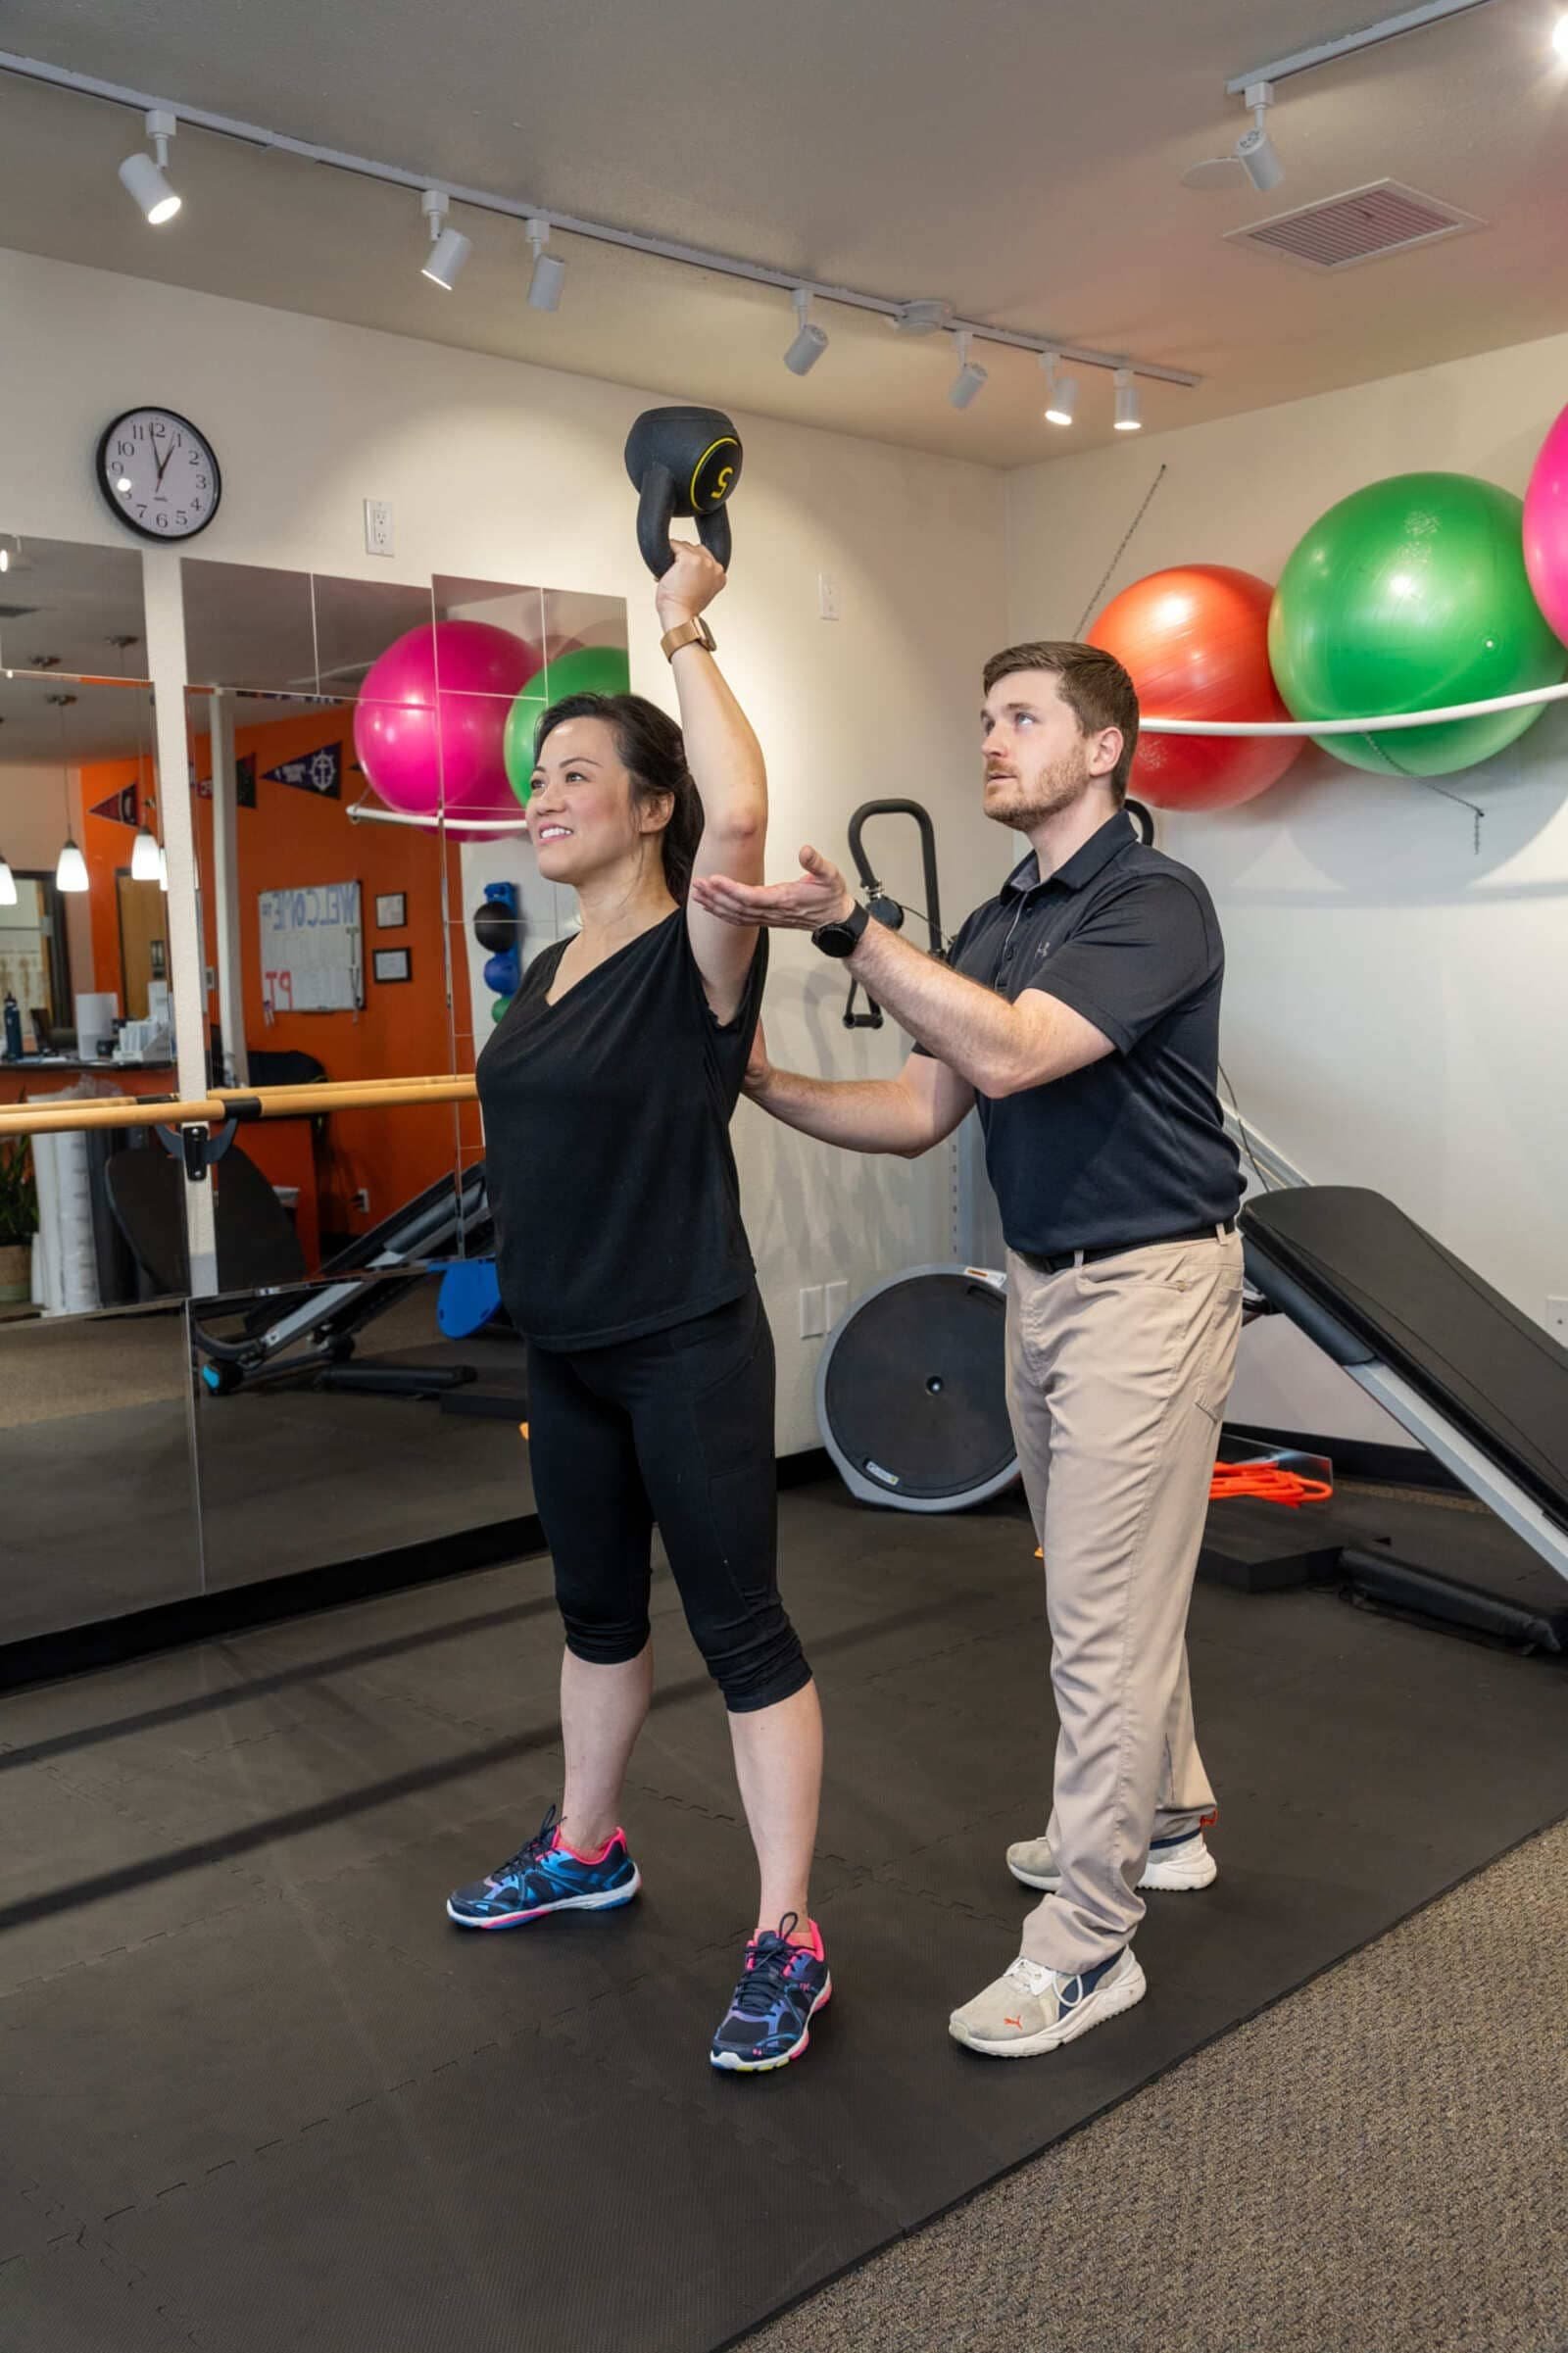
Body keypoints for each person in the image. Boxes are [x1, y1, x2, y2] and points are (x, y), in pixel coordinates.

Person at [693, 638, 1245, 2060]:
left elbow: (1008, 1056)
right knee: (1102, 1587)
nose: (990, 739)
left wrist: (851, 927)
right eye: (983, 716)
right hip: (1044, 1283)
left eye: (1021, 718)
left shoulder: (1155, 900)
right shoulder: (1005, 913)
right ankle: (1167, 1814)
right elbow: (918, 1107)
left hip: (1150, 1284)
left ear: (1104, 747)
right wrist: (756, 1080)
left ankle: (1085, 1943)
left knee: (1100, 1625)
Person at [449, 545, 830, 2077]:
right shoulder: (540, 973)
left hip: (684, 1339)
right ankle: (587, 1844)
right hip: (570, 1348)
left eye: (580, 773)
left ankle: (787, 1931)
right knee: (596, 1618)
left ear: (651, 807)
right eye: (535, 776)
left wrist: (678, 618)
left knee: (741, 1632)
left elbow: (744, 810)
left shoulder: (699, 949)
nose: (543, 795)